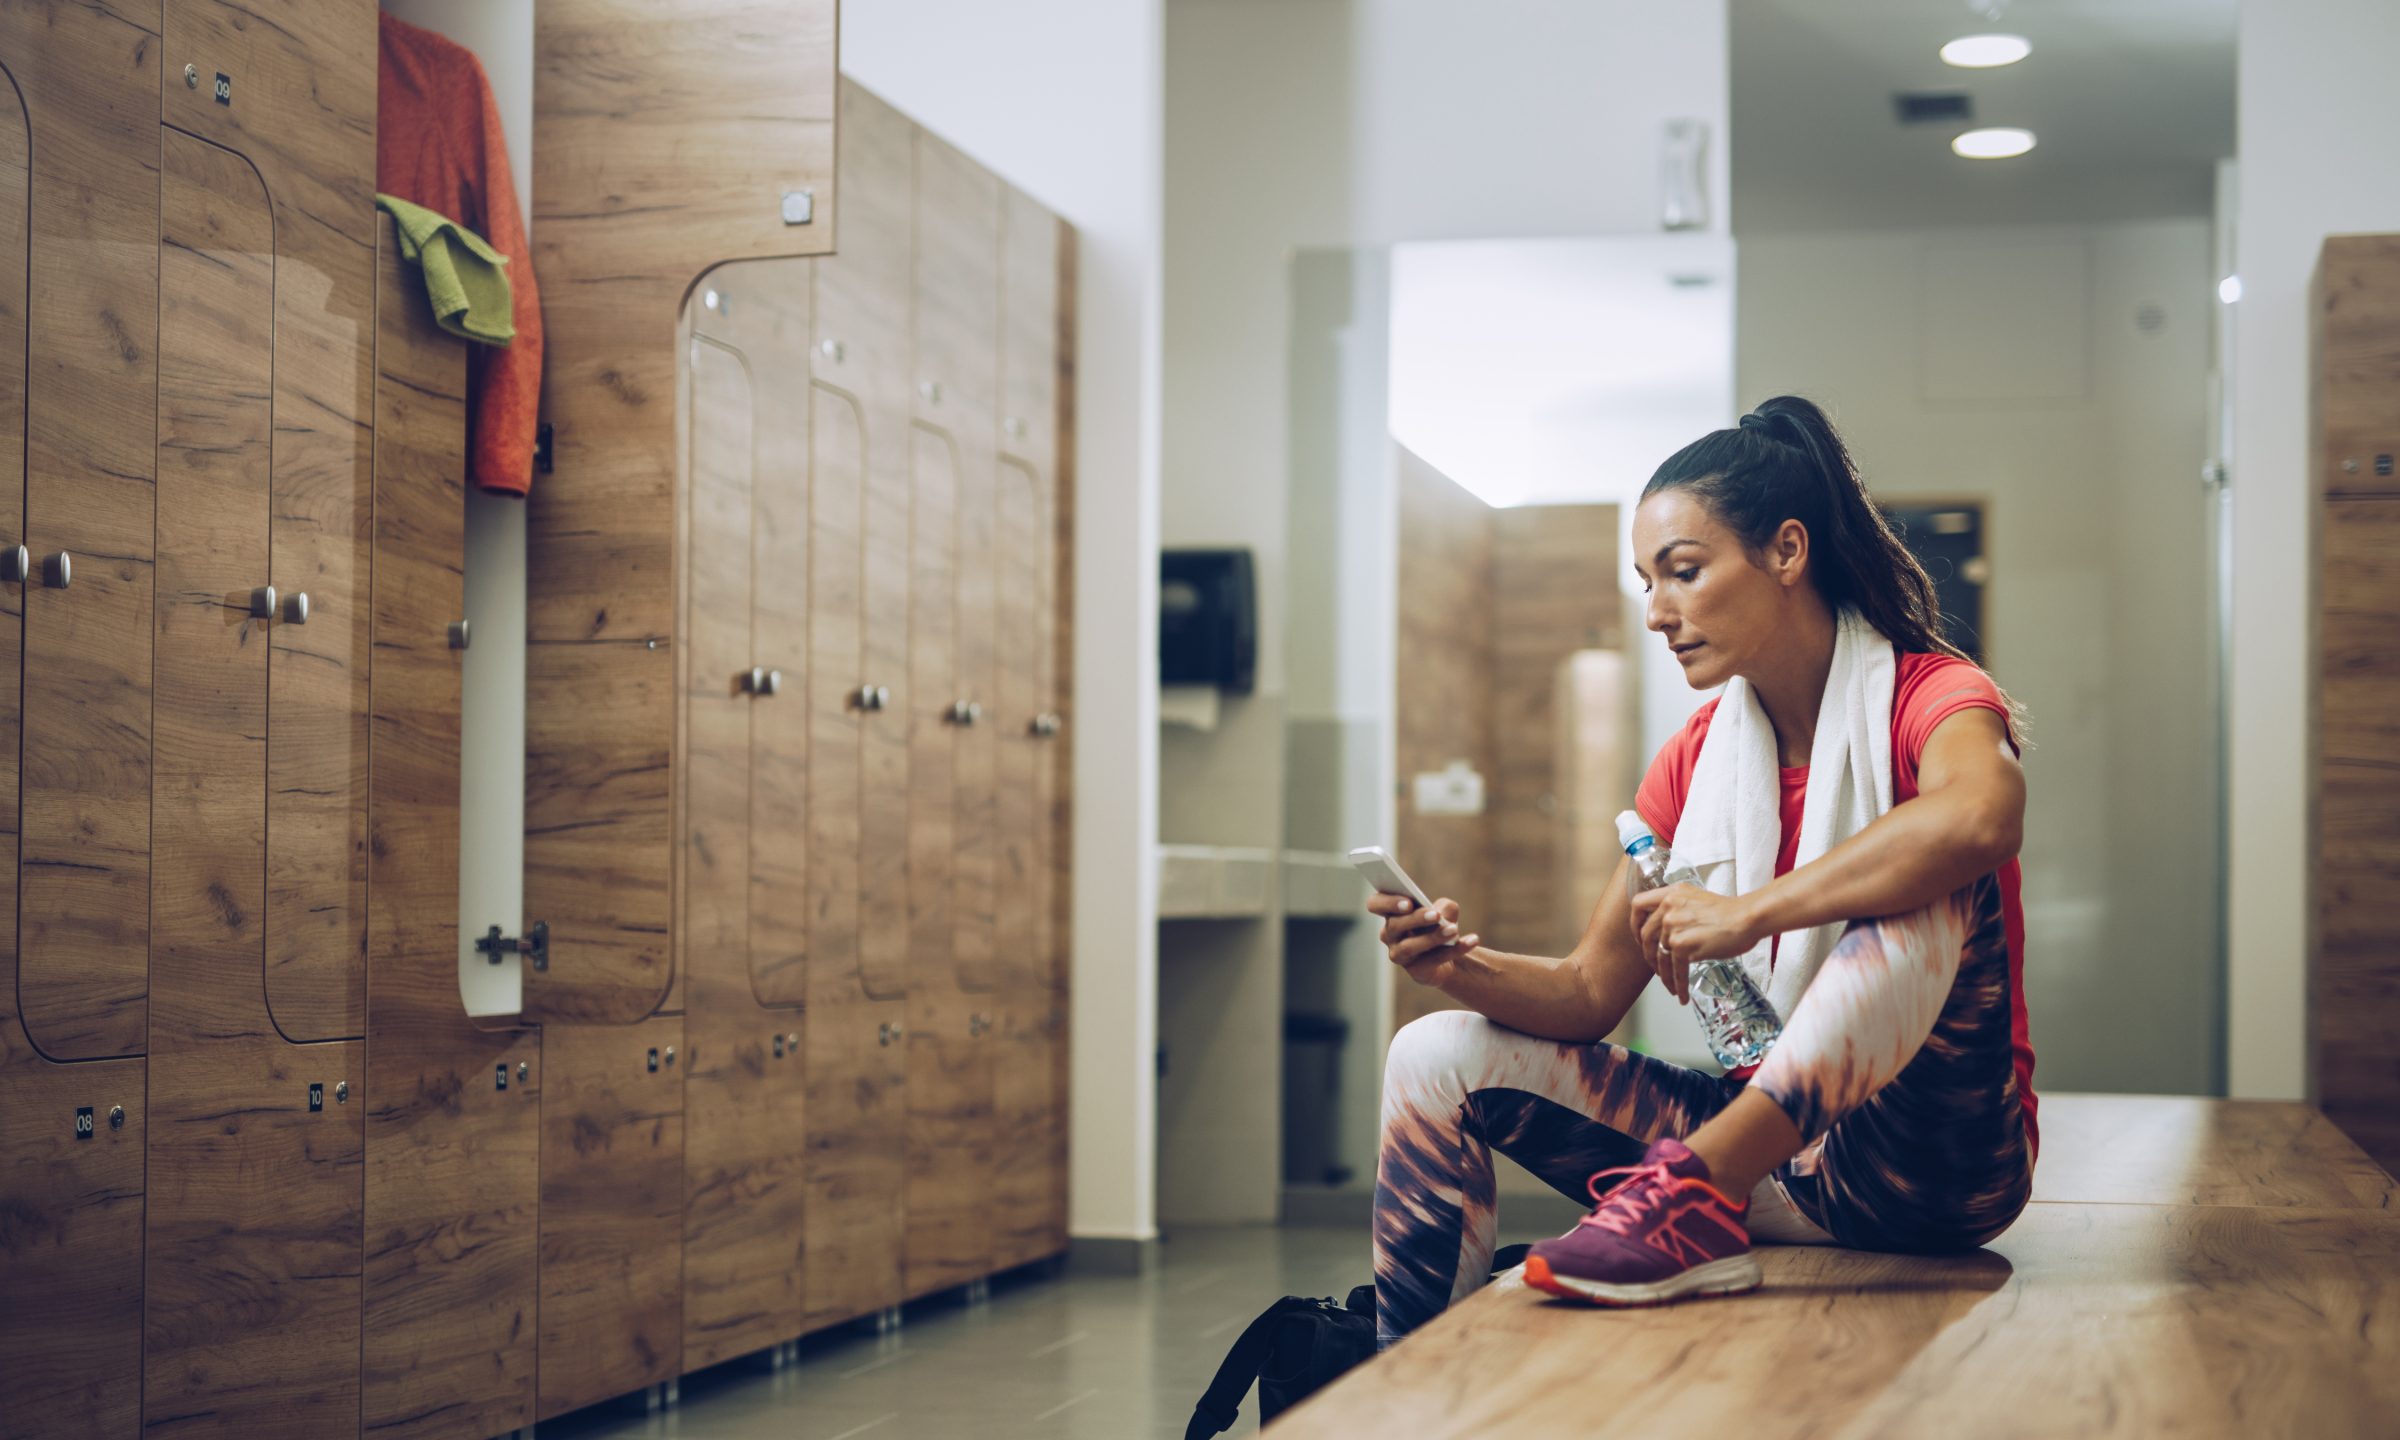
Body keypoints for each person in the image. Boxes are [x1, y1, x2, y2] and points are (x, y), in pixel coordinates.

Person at [1368, 396, 2035, 1348]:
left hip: (1939, 1166)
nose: (1656, 613)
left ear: (1787, 553)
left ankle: (1691, 1197)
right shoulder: (1693, 762)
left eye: (1682, 572)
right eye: (1646, 582)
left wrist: (1749, 913)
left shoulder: (1930, 696)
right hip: (1788, 1165)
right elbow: (1589, 990)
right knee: (1431, 1054)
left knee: (1927, 878)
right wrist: (1455, 969)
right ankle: (1403, 1373)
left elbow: (1981, 818)